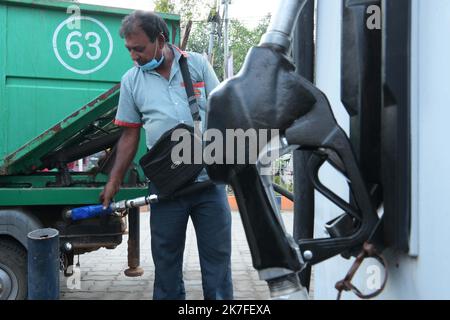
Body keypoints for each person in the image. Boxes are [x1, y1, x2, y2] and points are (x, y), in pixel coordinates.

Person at [100, 10, 233, 300]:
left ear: (160, 40)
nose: (134, 56)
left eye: (139, 48)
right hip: (166, 187)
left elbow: (225, 109)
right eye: (129, 50)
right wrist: (114, 181)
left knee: (218, 264)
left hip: (209, 182)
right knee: (167, 265)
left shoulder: (197, 64)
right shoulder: (131, 81)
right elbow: (130, 134)